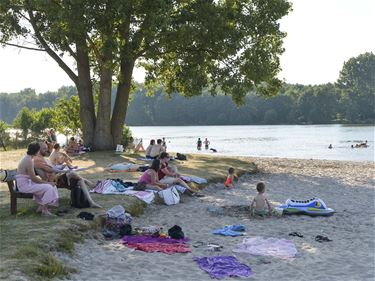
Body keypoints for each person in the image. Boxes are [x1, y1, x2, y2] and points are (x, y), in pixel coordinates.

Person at [34, 142, 101, 208]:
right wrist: (65, 171)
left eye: (46, 148)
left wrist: (63, 169)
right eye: (44, 148)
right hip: (53, 181)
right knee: (72, 173)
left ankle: (91, 202)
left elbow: (53, 170)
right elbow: (51, 171)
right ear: (38, 149)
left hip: (56, 178)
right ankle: (91, 185)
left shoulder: (44, 159)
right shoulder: (37, 160)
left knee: (80, 181)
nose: (47, 150)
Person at [15, 142, 59, 216]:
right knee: (48, 187)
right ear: (36, 151)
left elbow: (33, 178)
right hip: (24, 186)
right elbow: (34, 178)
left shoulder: (28, 158)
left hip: (26, 183)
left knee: (48, 186)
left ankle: (41, 207)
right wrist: (48, 183)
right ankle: (44, 211)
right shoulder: (29, 160)